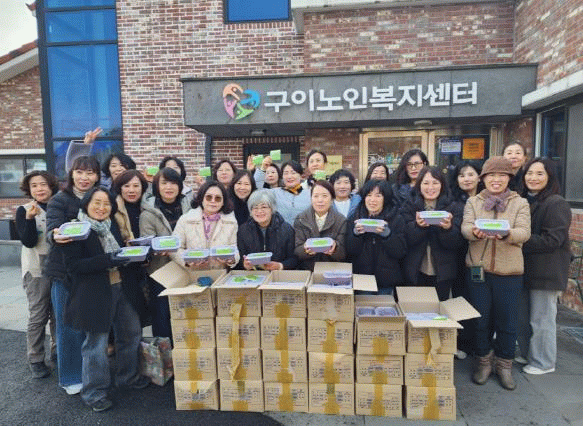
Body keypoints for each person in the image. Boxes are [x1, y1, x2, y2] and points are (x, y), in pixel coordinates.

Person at [62, 187, 149, 412]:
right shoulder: (75, 229)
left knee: (131, 333)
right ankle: (94, 393)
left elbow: (120, 254)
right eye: (97, 202)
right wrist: (108, 260)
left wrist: (135, 255)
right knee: (96, 344)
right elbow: (73, 266)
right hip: (94, 294)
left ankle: (127, 378)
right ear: (86, 204)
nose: (101, 208)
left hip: (122, 287)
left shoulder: (112, 226)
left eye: (106, 204)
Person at [461, 156, 531, 391]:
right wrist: (474, 232)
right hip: (478, 271)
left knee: (507, 322)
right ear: (483, 178)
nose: (496, 180)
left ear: (509, 178)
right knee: (480, 320)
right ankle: (483, 362)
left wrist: (507, 234)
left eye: (502, 175)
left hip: (509, 272)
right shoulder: (474, 202)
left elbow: (524, 232)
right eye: (491, 175)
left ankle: (504, 365)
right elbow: (465, 227)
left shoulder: (520, 203)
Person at [46, 156, 101, 395]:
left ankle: (92, 372)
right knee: (67, 325)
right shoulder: (59, 199)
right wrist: (54, 235)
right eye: (80, 172)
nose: (84, 178)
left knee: (91, 324)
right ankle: (70, 377)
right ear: (71, 174)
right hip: (64, 271)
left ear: (97, 176)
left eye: (90, 173)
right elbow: (51, 229)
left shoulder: (99, 198)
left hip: (92, 269)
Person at [518, 158, 571, 375]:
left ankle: (544, 362)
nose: (533, 178)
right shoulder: (524, 200)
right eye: (529, 173)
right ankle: (528, 354)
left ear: (550, 177)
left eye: (540, 174)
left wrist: (518, 238)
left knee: (541, 320)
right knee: (524, 318)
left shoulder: (556, 203)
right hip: (526, 270)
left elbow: (552, 240)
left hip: (546, 272)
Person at [16, 170, 59, 379]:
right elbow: (28, 241)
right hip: (36, 271)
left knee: (58, 314)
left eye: (43, 184)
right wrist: (29, 219)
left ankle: (58, 350)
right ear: (29, 189)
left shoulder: (58, 206)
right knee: (38, 315)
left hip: (58, 268)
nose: (39, 189)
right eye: (34, 186)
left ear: (51, 186)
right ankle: (36, 358)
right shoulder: (24, 210)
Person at [140, 167, 192, 338]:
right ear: (156, 186)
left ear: (180, 186)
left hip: (187, 267)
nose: (169, 187)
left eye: (173, 183)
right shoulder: (148, 213)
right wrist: (157, 249)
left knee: (185, 314)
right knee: (162, 315)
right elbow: (147, 242)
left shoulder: (189, 207)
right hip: (161, 271)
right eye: (164, 183)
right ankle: (165, 352)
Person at [401, 167, 464, 301]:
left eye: (435, 183)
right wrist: (418, 227)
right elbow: (405, 239)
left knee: (438, 310)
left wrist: (447, 228)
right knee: (416, 310)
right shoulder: (409, 206)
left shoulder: (454, 207)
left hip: (443, 273)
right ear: (419, 185)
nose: (430, 187)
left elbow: (457, 243)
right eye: (426, 183)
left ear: (442, 185)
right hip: (415, 270)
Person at [346, 180, 406, 294]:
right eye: (369, 195)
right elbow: (350, 251)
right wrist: (356, 235)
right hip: (362, 279)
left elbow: (400, 252)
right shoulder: (355, 217)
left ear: (385, 198)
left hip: (387, 281)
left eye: (378, 196)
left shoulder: (396, 218)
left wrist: (387, 235)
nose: (372, 200)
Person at [449, 160, 484, 358]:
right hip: (459, 256)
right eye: (462, 175)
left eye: (471, 174)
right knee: (461, 299)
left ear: (479, 177)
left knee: (480, 301)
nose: (466, 179)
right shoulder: (453, 201)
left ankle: (480, 344)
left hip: (483, 257)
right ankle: (462, 342)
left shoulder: (489, 199)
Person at [112, 170, 150, 326]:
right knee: (129, 315)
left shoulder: (148, 208)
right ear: (119, 188)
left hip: (146, 265)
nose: (131, 190)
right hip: (124, 267)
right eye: (126, 186)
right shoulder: (113, 209)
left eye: (136, 186)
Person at [172, 180, 239, 270]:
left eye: (218, 198)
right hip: (192, 274)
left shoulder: (231, 222)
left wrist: (231, 259)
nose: (213, 201)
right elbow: (175, 248)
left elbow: (234, 248)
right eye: (208, 197)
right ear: (201, 199)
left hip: (219, 273)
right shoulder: (185, 220)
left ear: (223, 202)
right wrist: (186, 261)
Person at [237, 189, 298, 271]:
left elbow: (294, 259)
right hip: (253, 275)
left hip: (278, 275)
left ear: (272, 209)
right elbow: (240, 258)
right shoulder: (243, 230)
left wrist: (280, 266)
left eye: (264, 207)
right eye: (255, 208)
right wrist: (245, 265)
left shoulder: (286, 229)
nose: (259, 211)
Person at [294, 181, 346, 271]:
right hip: (307, 270)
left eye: (325, 196)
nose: (320, 200)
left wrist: (335, 249)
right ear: (311, 198)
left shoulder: (341, 220)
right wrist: (304, 250)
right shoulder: (301, 219)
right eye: (316, 196)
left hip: (332, 271)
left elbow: (344, 253)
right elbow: (296, 251)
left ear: (332, 199)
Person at [256, 160, 311, 225]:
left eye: (293, 173)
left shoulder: (310, 194)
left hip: (302, 231)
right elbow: (258, 192)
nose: (289, 176)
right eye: (286, 173)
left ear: (301, 175)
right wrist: (262, 170)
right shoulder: (275, 193)